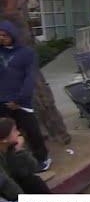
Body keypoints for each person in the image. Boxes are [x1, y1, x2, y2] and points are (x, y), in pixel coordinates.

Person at [0, 21, 51, 172]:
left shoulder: (26, 53)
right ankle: (10, 162)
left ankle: (42, 158)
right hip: (1, 100)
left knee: (31, 130)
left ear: (12, 35)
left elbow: (30, 78)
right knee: (5, 135)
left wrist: (19, 99)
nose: (2, 38)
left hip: (20, 101)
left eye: (5, 35)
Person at [0, 117, 51, 200]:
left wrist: (19, 150)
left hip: (12, 182)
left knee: (33, 181)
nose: (18, 133)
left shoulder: (12, 146)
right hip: (3, 193)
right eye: (15, 130)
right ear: (4, 139)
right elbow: (6, 183)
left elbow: (31, 167)